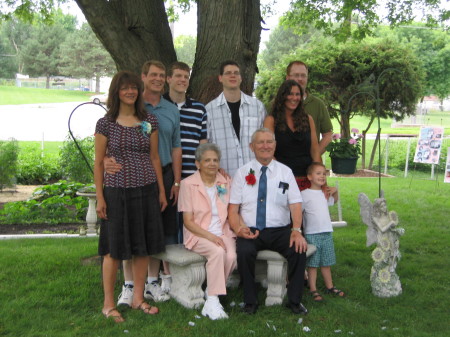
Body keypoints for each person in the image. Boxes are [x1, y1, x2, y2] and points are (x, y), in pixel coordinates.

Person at [94, 71, 167, 322]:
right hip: (116, 192)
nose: (130, 91)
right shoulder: (106, 123)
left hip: (146, 189)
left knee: (142, 246)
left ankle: (138, 298)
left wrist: (160, 190)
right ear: (116, 91)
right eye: (124, 88)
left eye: (134, 88)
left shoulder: (149, 120)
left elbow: (154, 157)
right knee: (112, 249)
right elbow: (98, 163)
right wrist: (100, 197)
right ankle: (108, 304)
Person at [107, 61, 181, 307]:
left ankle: (151, 281)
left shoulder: (171, 110)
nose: (158, 79)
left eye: (162, 75)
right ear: (143, 77)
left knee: (154, 232)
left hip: (162, 175)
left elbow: (175, 147)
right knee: (131, 231)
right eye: (153, 75)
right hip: (129, 180)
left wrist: (176, 181)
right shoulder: (133, 110)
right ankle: (128, 286)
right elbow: (110, 142)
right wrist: (107, 160)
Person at [228, 128, 309, 315]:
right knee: (244, 251)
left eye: (269, 142)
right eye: (260, 142)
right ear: (252, 147)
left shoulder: (285, 172)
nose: (265, 146)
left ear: (275, 145)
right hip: (251, 230)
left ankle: (295, 301)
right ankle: (250, 301)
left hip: (280, 230)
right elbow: (233, 209)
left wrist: (296, 230)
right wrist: (238, 228)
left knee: (299, 249)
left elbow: (296, 203)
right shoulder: (242, 173)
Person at [178, 143, 237, 320]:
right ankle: (212, 300)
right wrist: (211, 237)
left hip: (223, 231)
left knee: (232, 257)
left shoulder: (225, 182)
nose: (212, 164)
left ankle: (211, 293)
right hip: (198, 234)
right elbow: (188, 222)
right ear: (198, 164)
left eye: (215, 160)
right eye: (207, 160)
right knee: (218, 252)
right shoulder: (187, 184)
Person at [163, 61, 208, 244]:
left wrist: (202, 173)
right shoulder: (159, 106)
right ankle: (168, 267)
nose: (183, 80)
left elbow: (203, 143)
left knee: (192, 221)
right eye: (178, 76)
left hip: (192, 174)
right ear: (169, 79)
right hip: (167, 174)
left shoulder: (199, 109)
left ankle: (191, 264)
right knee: (168, 224)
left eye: (186, 77)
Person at [206, 60, 266, 177]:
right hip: (224, 178)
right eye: (228, 73)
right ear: (220, 78)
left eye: (236, 73)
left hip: (256, 176)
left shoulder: (257, 107)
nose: (233, 75)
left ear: (241, 78)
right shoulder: (209, 110)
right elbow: (207, 146)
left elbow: (266, 141)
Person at [264, 80, 321, 190]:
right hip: (282, 181)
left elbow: (315, 151)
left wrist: (321, 181)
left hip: (308, 180)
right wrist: (283, 177)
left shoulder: (308, 119)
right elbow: (269, 153)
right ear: (282, 96)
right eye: (290, 94)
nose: (294, 98)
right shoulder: (271, 121)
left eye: (297, 94)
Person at [301, 162, 345, 302]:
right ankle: (313, 288)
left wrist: (335, 192)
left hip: (326, 232)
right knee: (313, 264)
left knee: (326, 262)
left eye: (324, 174)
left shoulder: (324, 193)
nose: (322, 176)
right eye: (318, 173)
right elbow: (297, 213)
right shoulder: (304, 194)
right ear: (309, 176)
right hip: (312, 233)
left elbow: (333, 201)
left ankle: (330, 286)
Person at [286, 61, 333, 154]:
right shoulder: (275, 105)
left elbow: (328, 135)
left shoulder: (317, 104)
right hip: (280, 166)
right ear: (287, 78)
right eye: (296, 75)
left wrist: (314, 157)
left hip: (309, 165)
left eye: (303, 75)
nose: (300, 79)